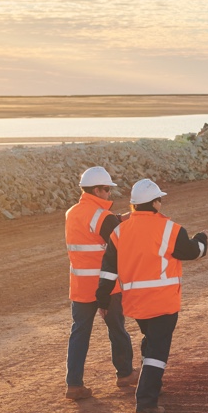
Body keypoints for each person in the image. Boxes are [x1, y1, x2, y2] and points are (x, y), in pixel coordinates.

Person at [96, 178, 208, 413]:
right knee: (158, 349)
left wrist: (103, 298)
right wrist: (202, 240)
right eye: (160, 199)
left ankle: (152, 383)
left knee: (151, 339)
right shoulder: (171, 229)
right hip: (163, 302)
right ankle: (146, 399)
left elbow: (108, 270)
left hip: (136, 304)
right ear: (155, 203)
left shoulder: (119, 232)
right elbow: (191, 252)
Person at [64, 166, 137, 400]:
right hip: (105, 285)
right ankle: (125, 374)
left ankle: (74, 384)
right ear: (97, 190)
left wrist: (120, 218)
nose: (109, 194)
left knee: (79, 333)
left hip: (80, 286)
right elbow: (119, 239)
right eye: (106, 189)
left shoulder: (72, 212)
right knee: (117, 329)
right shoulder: (101, 216)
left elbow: (96, 228)